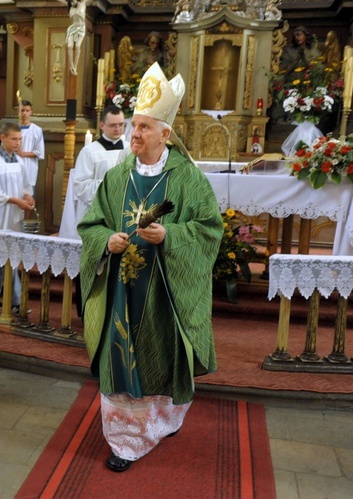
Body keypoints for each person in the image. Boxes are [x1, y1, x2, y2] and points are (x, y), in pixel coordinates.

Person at [78, 62, 223, 473]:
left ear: (165, 133)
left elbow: (210, 229)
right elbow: (91, 224)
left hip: (163, 291)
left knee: (160, 349)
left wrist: (171, 237)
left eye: (143, 126)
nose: (134, 134)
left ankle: (164, 418)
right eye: (133, 126)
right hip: (123, 290)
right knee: (124, 356)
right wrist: (106, 240)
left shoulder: (189, 180)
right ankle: (126, 440)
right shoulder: (116, 176)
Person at [0, 123, 36, 312]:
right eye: (14, 139)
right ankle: (16, 301)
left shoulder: (19, 162)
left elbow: (26, 185)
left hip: (13, 216)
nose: (18, 143)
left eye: (20, 139)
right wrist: (16, 201)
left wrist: (28, 197)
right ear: (3, 138)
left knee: (3, 257)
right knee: (5, 256)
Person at [60, 105, 125, 241]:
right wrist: (111, 185)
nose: (118, 129)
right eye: (113, 125)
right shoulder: (89, 152)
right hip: (97, 213)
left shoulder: (130, 148)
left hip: (122, 212)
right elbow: (81, 186)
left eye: (121, 124)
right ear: (102, 125)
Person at [17, 100, 45, 191]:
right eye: (22, 110)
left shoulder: (36, 130)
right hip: (15, 166)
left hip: (29, 168)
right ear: (18, 111)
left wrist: (23, 154)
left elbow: (39, 152)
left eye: (27, 111)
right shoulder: (14, 129)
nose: (24, 113)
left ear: (31, 112)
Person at [60, 0, 89, 75]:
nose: (73, 3)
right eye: (71, 2)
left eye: (73, 1)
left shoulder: (82, 3)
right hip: (73, 28)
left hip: (81, 28)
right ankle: (71, 66)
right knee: (69, 46)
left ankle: (75, 66)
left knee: (77, 46)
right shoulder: (71, 6)